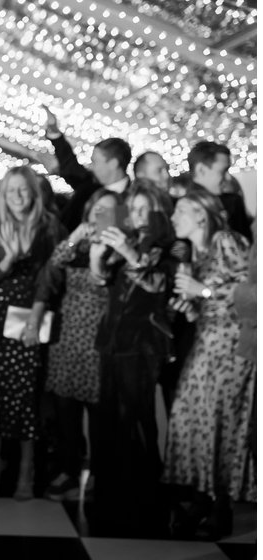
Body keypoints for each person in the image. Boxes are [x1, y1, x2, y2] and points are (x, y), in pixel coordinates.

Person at [162, 189, 254, 538]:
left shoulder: (225, 240)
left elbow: (251, 290)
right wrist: (194, 306)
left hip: (230, 349)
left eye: (180, 211)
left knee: (220, 423)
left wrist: (202, 292)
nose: (173, 218)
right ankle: (200, 497)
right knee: (191, 418)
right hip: (205, 343)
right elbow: (212, 299)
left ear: (200, 214)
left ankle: (221, 508)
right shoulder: (196, 253)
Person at [90, 180, 176, 536]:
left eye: (143, 209)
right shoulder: (128, 240)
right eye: (133, 209)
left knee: (139, 420)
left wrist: (127, 249)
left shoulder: (170, 246)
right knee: (111, 420)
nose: (137, 216)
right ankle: (114, 496)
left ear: (158, 211)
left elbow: (156, 284)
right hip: (111, 341)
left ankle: (147, 499)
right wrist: (98, 257)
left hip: (143, 345)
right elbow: (102, 280)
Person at [0, 165, 66, 501]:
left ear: (34, 193)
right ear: (3, 194)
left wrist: (35, 316)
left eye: (23, 190)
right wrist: (9, 259)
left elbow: (52, 276)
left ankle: (27, 474)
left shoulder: (49, 226)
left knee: (27, 394)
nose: (17, 196)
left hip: (33, 312)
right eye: (11, 190)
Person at [35, 189, 118, 501]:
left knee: (100, 414)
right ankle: (68, 471)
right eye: (97, 209)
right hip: (68, 334)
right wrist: (73, 238)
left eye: (108, 210)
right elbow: (54, 263)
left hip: (99, 336)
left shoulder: (119, 244)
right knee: (65, 410)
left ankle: (99, 471)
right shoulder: (77, 240)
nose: (100, 215)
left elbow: (106, 279)